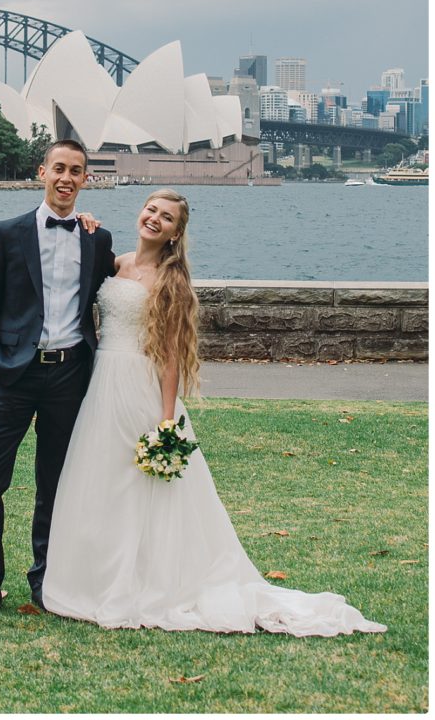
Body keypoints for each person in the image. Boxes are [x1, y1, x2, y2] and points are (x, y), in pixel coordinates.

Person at [42, 189, 387, 636]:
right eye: (151, 209)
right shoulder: (117, 262)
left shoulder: (172, 281)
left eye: (166, 218)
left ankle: (142, 584)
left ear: (175, 233)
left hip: (138, 389)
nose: (154, 219)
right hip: (101, 383)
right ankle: (95, 578)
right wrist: (84, 221)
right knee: (101, 482)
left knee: (140, 490)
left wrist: (166, 421)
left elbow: (170, 355)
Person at [0, 139, 115, 616]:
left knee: (55, 484)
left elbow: (127, 282)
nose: (66, 178)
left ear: (86, 179)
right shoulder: (7, 232)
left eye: (76, 171)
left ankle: (47, 580)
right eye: (58, 168)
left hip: (70, 376)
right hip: (15, 376)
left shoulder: (97, 239)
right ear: (42, 172)